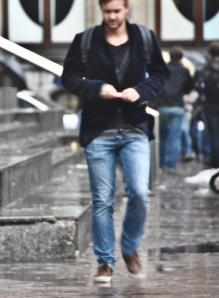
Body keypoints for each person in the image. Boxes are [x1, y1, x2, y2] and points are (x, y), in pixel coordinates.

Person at [60, 0, 169, 283]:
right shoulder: (84, 40)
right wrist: (96, 88)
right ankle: (105, 262)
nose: (112, 16)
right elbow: (69, 77)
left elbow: (160, 74)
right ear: (101, 10)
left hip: (135, 128)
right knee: (102, 201)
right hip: (98, 131)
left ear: (126, 9)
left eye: (116, 11)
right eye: (107, 11)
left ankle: (130, 247)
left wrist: (140, 90)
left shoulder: (144, 37)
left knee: (140, 193)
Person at [154, 46, 193, 171]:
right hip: (177, 106)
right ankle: (172, 165)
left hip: (162, 105)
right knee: (175, 136)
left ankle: (162, 164)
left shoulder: (162, 69)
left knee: (163, 135)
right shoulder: (184, 71)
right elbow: (188, 89)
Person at [195, 42, 219, 168]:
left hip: (210, 104)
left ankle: (216, 161)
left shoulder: (207, 67)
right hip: (211, 105)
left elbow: (198, 84)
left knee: (214, 134)